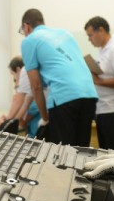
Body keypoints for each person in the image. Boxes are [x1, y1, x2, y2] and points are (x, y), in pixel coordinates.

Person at [19, 8, 98, 146]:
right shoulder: (65, 33)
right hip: (89, 94)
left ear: (26, 26)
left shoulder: (29, 41)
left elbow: (36, 86)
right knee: (82, 149)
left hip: (64, 97)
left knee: (63, 155)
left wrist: (44, 118)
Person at [84, 16, 114, 152]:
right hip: (104, 109)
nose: (89, 39)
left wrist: (100, 81)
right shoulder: (103, 50)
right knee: (106, 153)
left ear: (101, 30)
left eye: (90, 35)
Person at [0, 56, 41, 137]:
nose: (15, 83)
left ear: (19, 70)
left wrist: (5, 123)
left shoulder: (35, 97)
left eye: (13, 75)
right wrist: (6, 121)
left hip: (36, 137)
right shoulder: (30, 96)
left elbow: (21, 122)